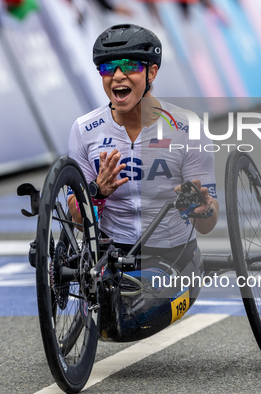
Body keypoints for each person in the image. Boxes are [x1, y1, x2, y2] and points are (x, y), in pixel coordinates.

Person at [67, 24, 219, 341]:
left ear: (152, 71)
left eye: (131, 67)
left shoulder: (186, 128)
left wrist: (200, 206)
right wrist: (97, 193)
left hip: (173, 258)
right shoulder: (85, 130)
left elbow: (208, 224)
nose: (118, 76)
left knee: (131, 322)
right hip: (110, 257)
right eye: (108, 67)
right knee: (111, 322)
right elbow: (77, 220)